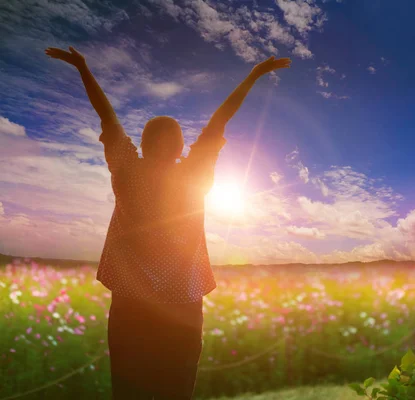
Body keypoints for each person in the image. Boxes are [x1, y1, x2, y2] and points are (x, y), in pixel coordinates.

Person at [45, 46, 291, 399]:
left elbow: (107, 118)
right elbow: (220, 120)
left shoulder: (128, 170)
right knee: (176, 388)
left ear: (143, 146)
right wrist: (253, 76)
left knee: (129, 388)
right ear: (180, 147)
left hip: (131, 303)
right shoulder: (193, 174)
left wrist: (83, 67)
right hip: (183, 306)